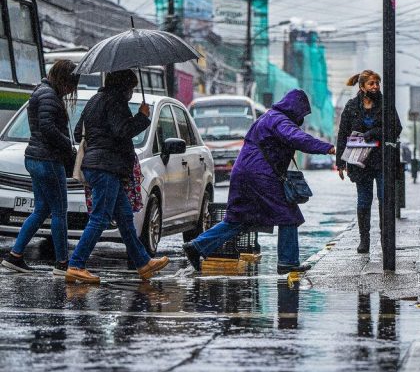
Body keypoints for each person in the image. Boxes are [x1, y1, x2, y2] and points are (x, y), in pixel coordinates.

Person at [182, 89, 335, 274]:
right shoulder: (279, 120)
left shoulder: (269, 117)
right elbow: (297, 138)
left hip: (244, 173)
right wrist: (328, 148)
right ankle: (287, 262)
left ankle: (197, 246)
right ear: (296, 109)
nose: (301, 119)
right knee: (289, 215)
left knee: (239, 218)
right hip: (259, 175)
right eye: (302, 113)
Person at [65, 69, 169, 284]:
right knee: (100, 217)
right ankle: (76, 264)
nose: (131, 93)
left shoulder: (95, 100)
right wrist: (142, 117)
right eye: (131, 88)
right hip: (106, 167)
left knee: (124, 217)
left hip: (97, 164)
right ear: (124, 87)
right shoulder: (115, 101)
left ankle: (142, 262)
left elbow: (78, 132)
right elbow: (122, 130)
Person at [1, 60, 79, 275]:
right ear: (63, 79)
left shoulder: (42, 92)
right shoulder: (48, 96)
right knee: (59, 212)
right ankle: (63, 263)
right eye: (71, 84)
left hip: (35, 158)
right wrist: (67, 145)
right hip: (48, 160)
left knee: (41, 210)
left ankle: (15, 256)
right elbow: (47, 128)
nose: (71, 89)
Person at [336, 70, 402, 254]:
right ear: (362, 86)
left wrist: (374, 133)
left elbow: (397, 127)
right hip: (359, 162)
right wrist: (340, 163)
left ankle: (385, 240)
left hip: (382, 160)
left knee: (384, 200)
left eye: (377, 83)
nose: (375, 87)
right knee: (364, 201)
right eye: (371, 83)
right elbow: (342, 134)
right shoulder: (351, 107)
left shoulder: (386, 104)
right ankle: (364, 240)